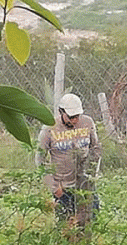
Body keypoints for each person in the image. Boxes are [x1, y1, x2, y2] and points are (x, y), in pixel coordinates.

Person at [35, 93, 102, 229]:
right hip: (63, 187)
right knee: (66, 227)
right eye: (71, 117)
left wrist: (92, 174)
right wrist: (54, 188)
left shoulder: (87, 123)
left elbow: (96, 149)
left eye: (78, 116)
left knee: (90, 224)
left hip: (84, 184)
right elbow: (39, 160)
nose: (75, 120)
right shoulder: (49, 129)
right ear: (61, 112)